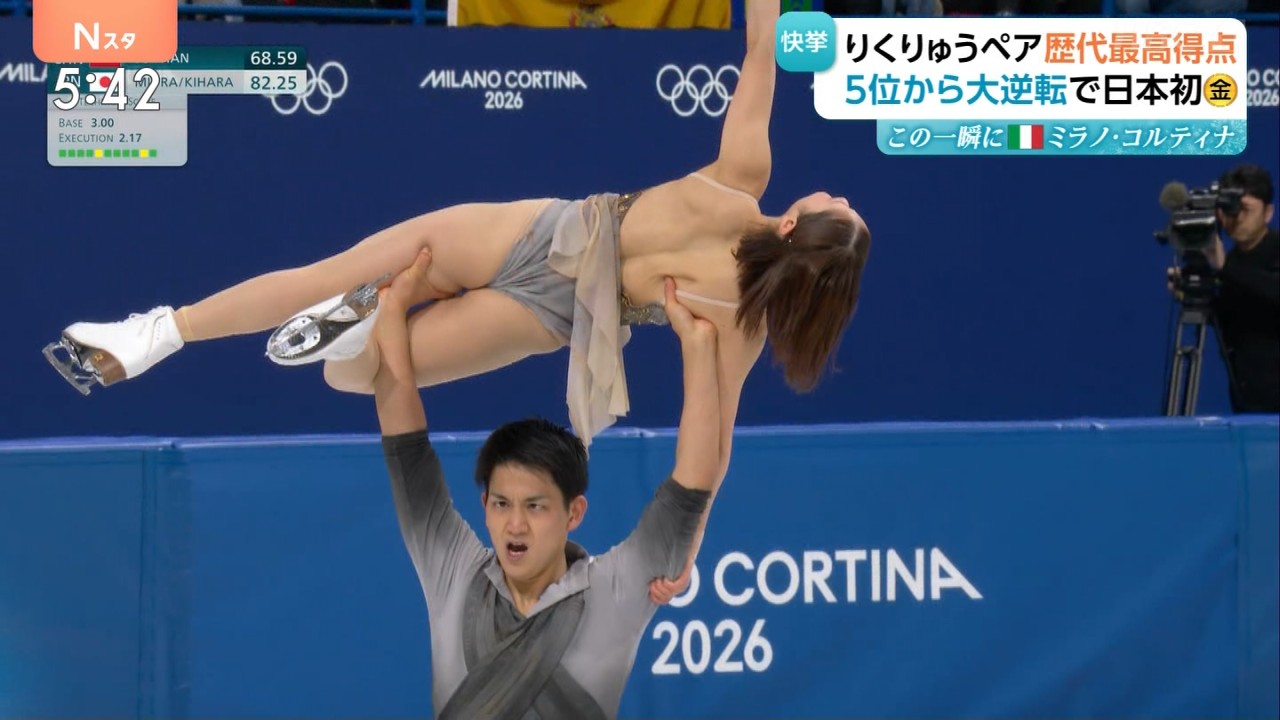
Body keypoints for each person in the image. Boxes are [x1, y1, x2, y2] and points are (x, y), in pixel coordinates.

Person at [47, 0, 870, 457]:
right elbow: (710, 448)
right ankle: (359, 326)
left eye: (840, 204)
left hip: (535, 231)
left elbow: (761, 44)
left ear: (795, 222)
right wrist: (684, 544)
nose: (840, 191)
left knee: (324, 277)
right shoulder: (739, 324)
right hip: (552, 316)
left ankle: (157, 334)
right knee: (359, 378)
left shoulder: (741, 178)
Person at [374, 249, 721, 718]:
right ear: (485, 505)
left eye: (535, 506)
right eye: (501, 504)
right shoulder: (453, 572)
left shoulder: (614, 592)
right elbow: (407, 456)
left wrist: (698, 348)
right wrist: (393, 310)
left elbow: (688, 493)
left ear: (574, 512)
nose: (515, 525)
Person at [1167, 163, 1279, 413]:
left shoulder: (1235, 264)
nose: (1236, 218)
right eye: (1229, 210)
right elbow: (1241, 317)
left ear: (1268, 213)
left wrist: (1224, 267)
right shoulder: (1232, 264)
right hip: (1249, 406)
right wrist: (1192, 290)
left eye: (1246, 209)